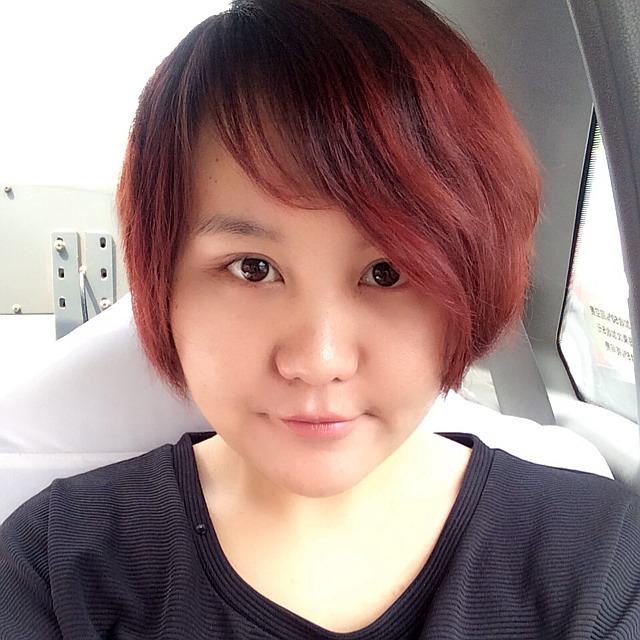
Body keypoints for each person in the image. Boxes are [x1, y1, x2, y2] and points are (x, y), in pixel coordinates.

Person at [1, 1, 639, 638]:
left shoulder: (600, 563)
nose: (318, 360)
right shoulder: (54, 571)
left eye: (387, 272)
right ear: (162, 283)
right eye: (252, 268)